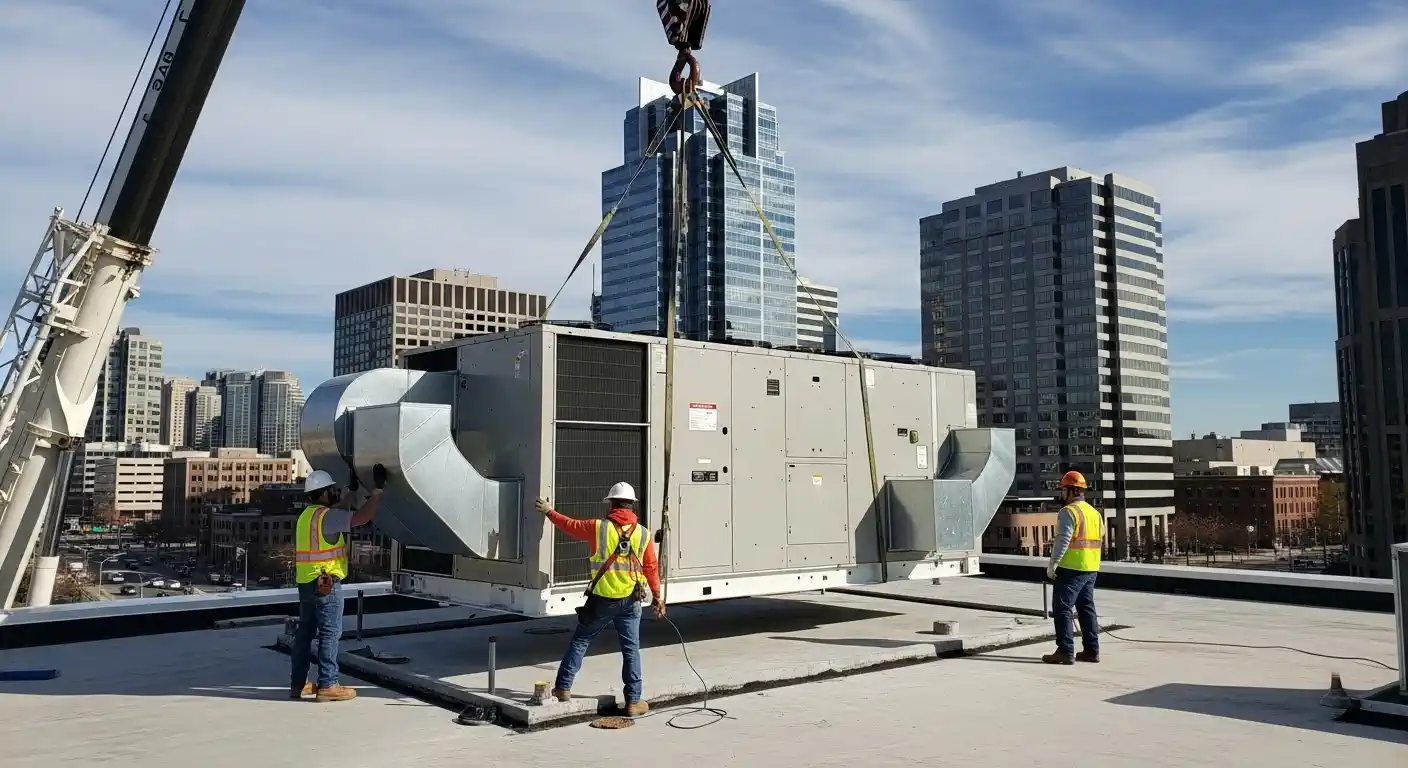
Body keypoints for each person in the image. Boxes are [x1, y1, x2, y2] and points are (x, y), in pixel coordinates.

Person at [536, 482, 664, 717]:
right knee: (631, 650)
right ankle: (633, 701)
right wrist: (658, 597)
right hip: (631, 600)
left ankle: (563, 688)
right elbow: (651, 568)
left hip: (602, 601)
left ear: (612, 503)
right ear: (632, 505)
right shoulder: (644, 534)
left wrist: (548, 511)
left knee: (581, 640)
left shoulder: (598, 528)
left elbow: (569, 525)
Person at [290, 465, 387, 702]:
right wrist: (377, 492)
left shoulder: (308, 516)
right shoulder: (327, 517)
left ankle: (298, 684)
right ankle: (327, 684)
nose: (334, 493)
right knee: (330, 633)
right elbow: (361, 517)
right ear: (323, 493)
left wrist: (351, 493)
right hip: (326, 585)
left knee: (305, 634)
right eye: (332, 490)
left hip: (306, 583)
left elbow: (339, 514)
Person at [1042, 470, 1103, 665]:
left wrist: (1053, 564)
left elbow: (1063, 540)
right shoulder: (1094, 513)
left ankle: (1065, 650)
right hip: (1091, 567)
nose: (1061, 495)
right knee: (1086, 608)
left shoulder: (1068, 512)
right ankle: (1091, 650)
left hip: (1071, 569)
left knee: (1062, 609)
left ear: (1070, 490)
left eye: (1063, 490)